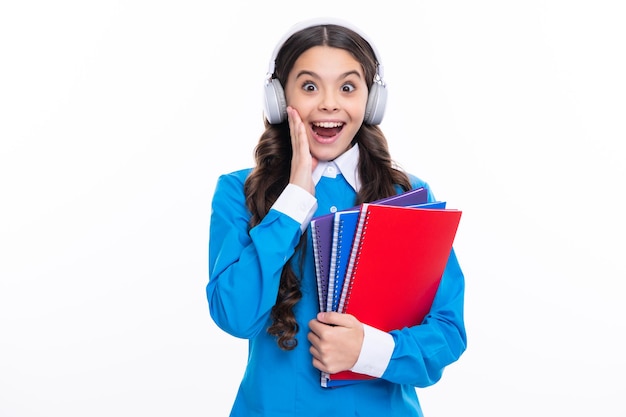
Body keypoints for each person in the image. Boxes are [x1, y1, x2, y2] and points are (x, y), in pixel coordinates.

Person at [206, 17, 466, 417]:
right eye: (310, 87)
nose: (329, 103)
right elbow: (235, 317)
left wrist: (369, 351)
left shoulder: (409, 196)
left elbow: (448, 332)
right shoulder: (238, 192)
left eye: (347, 87)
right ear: (279, 98)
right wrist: (292, 201)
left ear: (371, 100)